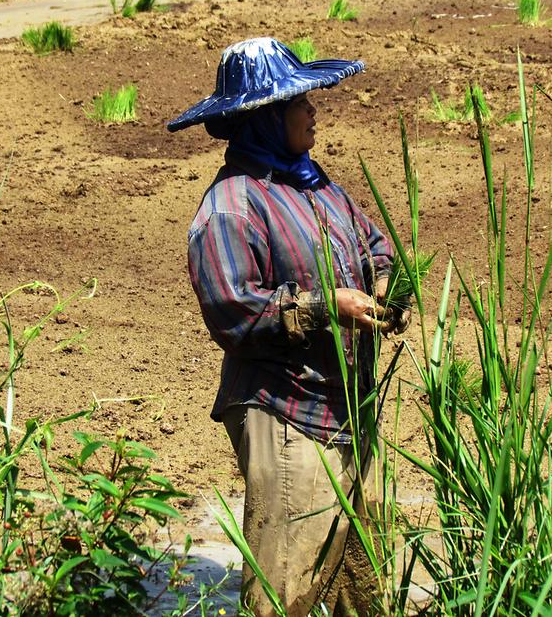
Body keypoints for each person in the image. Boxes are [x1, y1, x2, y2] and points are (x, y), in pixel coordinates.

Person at [168, 37, 410, 616]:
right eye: (297, 101)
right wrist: (331, 307)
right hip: (287, 415)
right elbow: (235, 310)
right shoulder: (231, 205)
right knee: (283, 594)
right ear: (265, 118)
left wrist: (382, 287)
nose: (313, 108)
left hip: (352, 408)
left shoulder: (317, 185)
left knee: (368, 588)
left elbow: (375, 246)